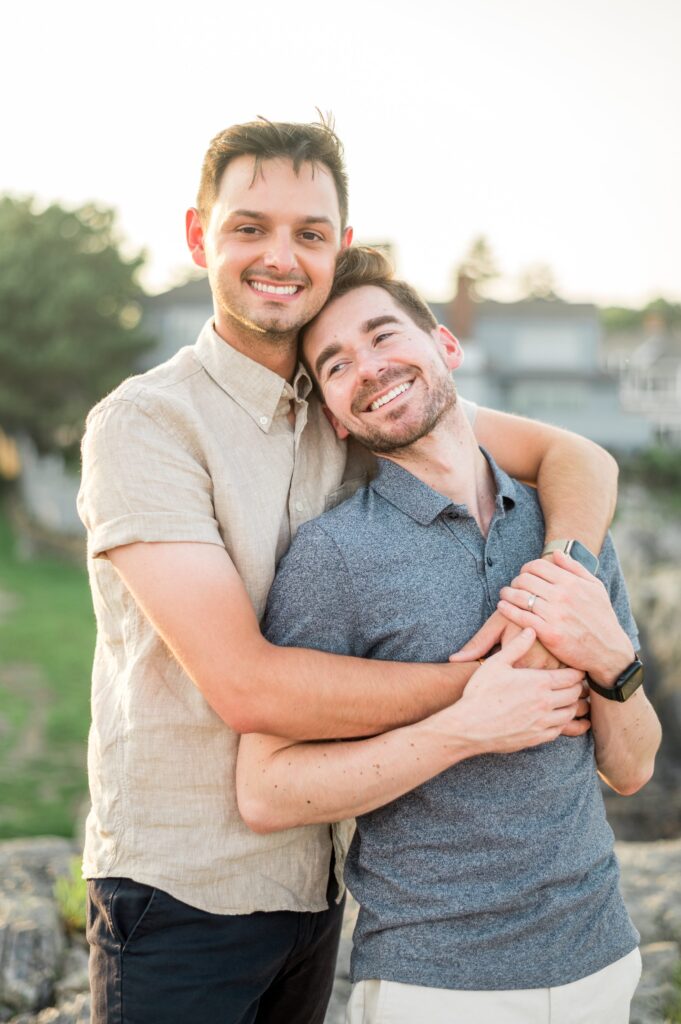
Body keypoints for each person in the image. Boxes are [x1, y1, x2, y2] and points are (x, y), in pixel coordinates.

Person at [78, 118, 622, 1024]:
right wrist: (482, 694)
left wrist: (559, 585)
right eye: (249, 227)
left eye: (310, 232)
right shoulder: (148, 425)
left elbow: (578, 458)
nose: (280, 256)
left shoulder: (356, 397)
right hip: (181, 893)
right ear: (195, 235)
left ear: (343, 246)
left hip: (318, 886)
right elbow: (249, 689)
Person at [236, 245, 662, 1024]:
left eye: (383, 335)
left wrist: (612, 661)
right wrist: (465, 729)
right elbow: (264, 790)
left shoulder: (563, 528)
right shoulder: (334, 557)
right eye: (335, 364)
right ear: (335, 414)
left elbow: (630, 769)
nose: (366, 367)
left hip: (600, 956)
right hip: (432, 981)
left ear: (445, 345)